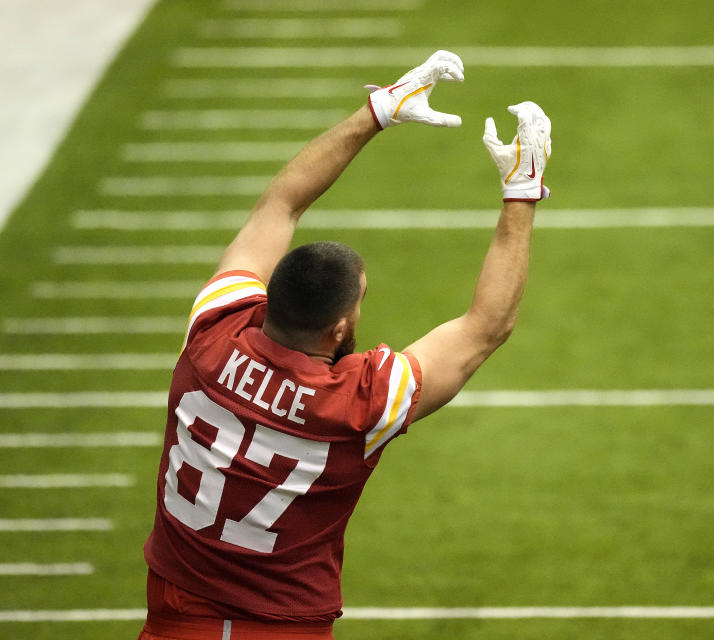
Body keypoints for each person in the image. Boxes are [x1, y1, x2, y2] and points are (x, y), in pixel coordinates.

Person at [139, 50, 552, 640]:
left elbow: (281, 202)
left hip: (173, 617)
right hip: (284, 628)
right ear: (338, 328)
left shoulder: (214, 329)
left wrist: (377, 111)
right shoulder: (361, 400)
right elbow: (486, 327)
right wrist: (521, 192)